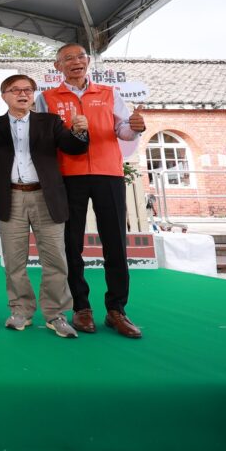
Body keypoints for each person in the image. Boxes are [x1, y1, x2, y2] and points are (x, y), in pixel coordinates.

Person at [35, 43, 146, 338]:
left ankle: (116, 309)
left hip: (108, 173)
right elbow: (43, 137)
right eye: (68, 58)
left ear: (87, 61)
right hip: (67, 176)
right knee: (71, 244)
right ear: (58, 66)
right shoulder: (46, 98)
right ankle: (81, 307)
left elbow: (123, 130)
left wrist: (135, 126)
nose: (76, 61)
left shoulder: (109, 93)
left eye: (81, 56)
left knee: (115, 242)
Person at [0, 74, 89, 338]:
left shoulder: (50, 121)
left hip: (46, 196)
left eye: (28, 89)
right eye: (15, 90)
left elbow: (73, 148)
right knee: (14, 260)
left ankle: (55, 314)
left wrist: (79, 131)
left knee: (55, 259)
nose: (22, 94)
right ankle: (21, 311)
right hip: (11, 196)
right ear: (4, 96)